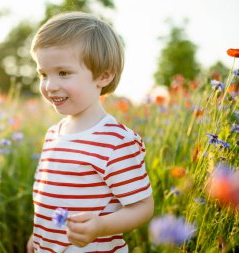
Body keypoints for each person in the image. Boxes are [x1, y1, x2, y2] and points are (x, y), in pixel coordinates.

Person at [27, 11, 154, 253]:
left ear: (103, 75)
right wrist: (39, 237)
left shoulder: (116, 141)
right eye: (43, 74)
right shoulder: (54, 133)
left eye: (63, 73)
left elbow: (142, 207)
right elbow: (48, 200)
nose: (50, 85)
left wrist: (101, 226)